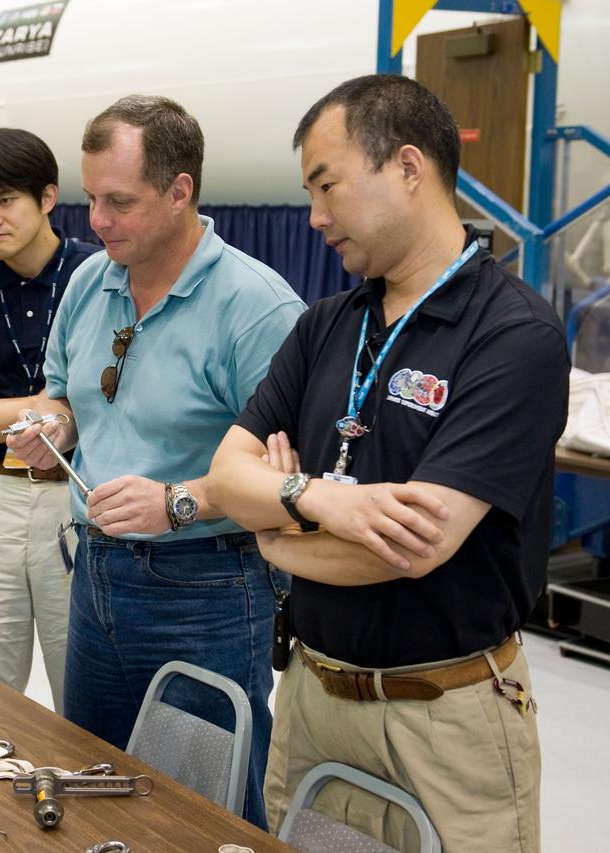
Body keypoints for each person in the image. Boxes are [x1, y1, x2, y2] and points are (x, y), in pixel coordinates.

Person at [208, 75, 568, 851]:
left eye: (327, 185)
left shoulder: (514, 335)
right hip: (311, 698)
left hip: (444, 718)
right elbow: (226, 476)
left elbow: (412, 545)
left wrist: (274, 532)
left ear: (408, 167)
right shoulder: (325, 325)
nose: (315, 216)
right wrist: (320, 500)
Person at [5, 95, 304, 827]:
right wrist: (52, 426)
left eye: (120, 202)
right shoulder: (91, 281)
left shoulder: (256, 309)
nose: (97, 221)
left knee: (206, 811)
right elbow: (63, 396)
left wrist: (177, 501)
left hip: (207, 586)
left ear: (180, 191)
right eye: (90, 199)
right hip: (96, 573)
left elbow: (290, 479)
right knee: (95, 785)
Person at [0, 128, 99, 706]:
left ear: (47, 197)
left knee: (81, 681)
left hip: (77, 493)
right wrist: (55, 405)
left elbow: (116, 400)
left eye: (5, 200)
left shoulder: (99, 276)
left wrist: (8, 411)